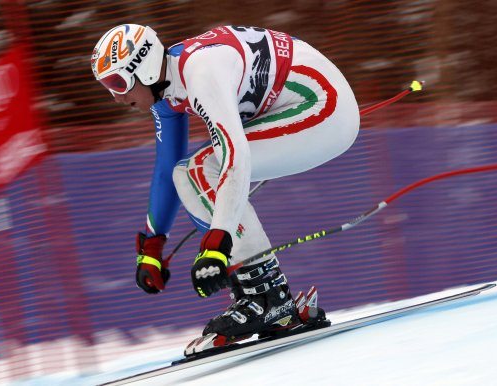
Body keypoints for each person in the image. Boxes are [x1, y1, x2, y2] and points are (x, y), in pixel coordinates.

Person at [91, 24, 359, 353]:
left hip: (323, 106)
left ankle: (267, 298)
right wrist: (152, 242)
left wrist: (217, 241)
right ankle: (267, 299)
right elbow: (166, 170)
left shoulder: (200, 71)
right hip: (300, 104)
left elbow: (234, 155)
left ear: (143, 68)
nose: (117, 97)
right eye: (107, 86)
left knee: (205, 167)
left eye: (118, 83)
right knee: (185, 172)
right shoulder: (168, 86)